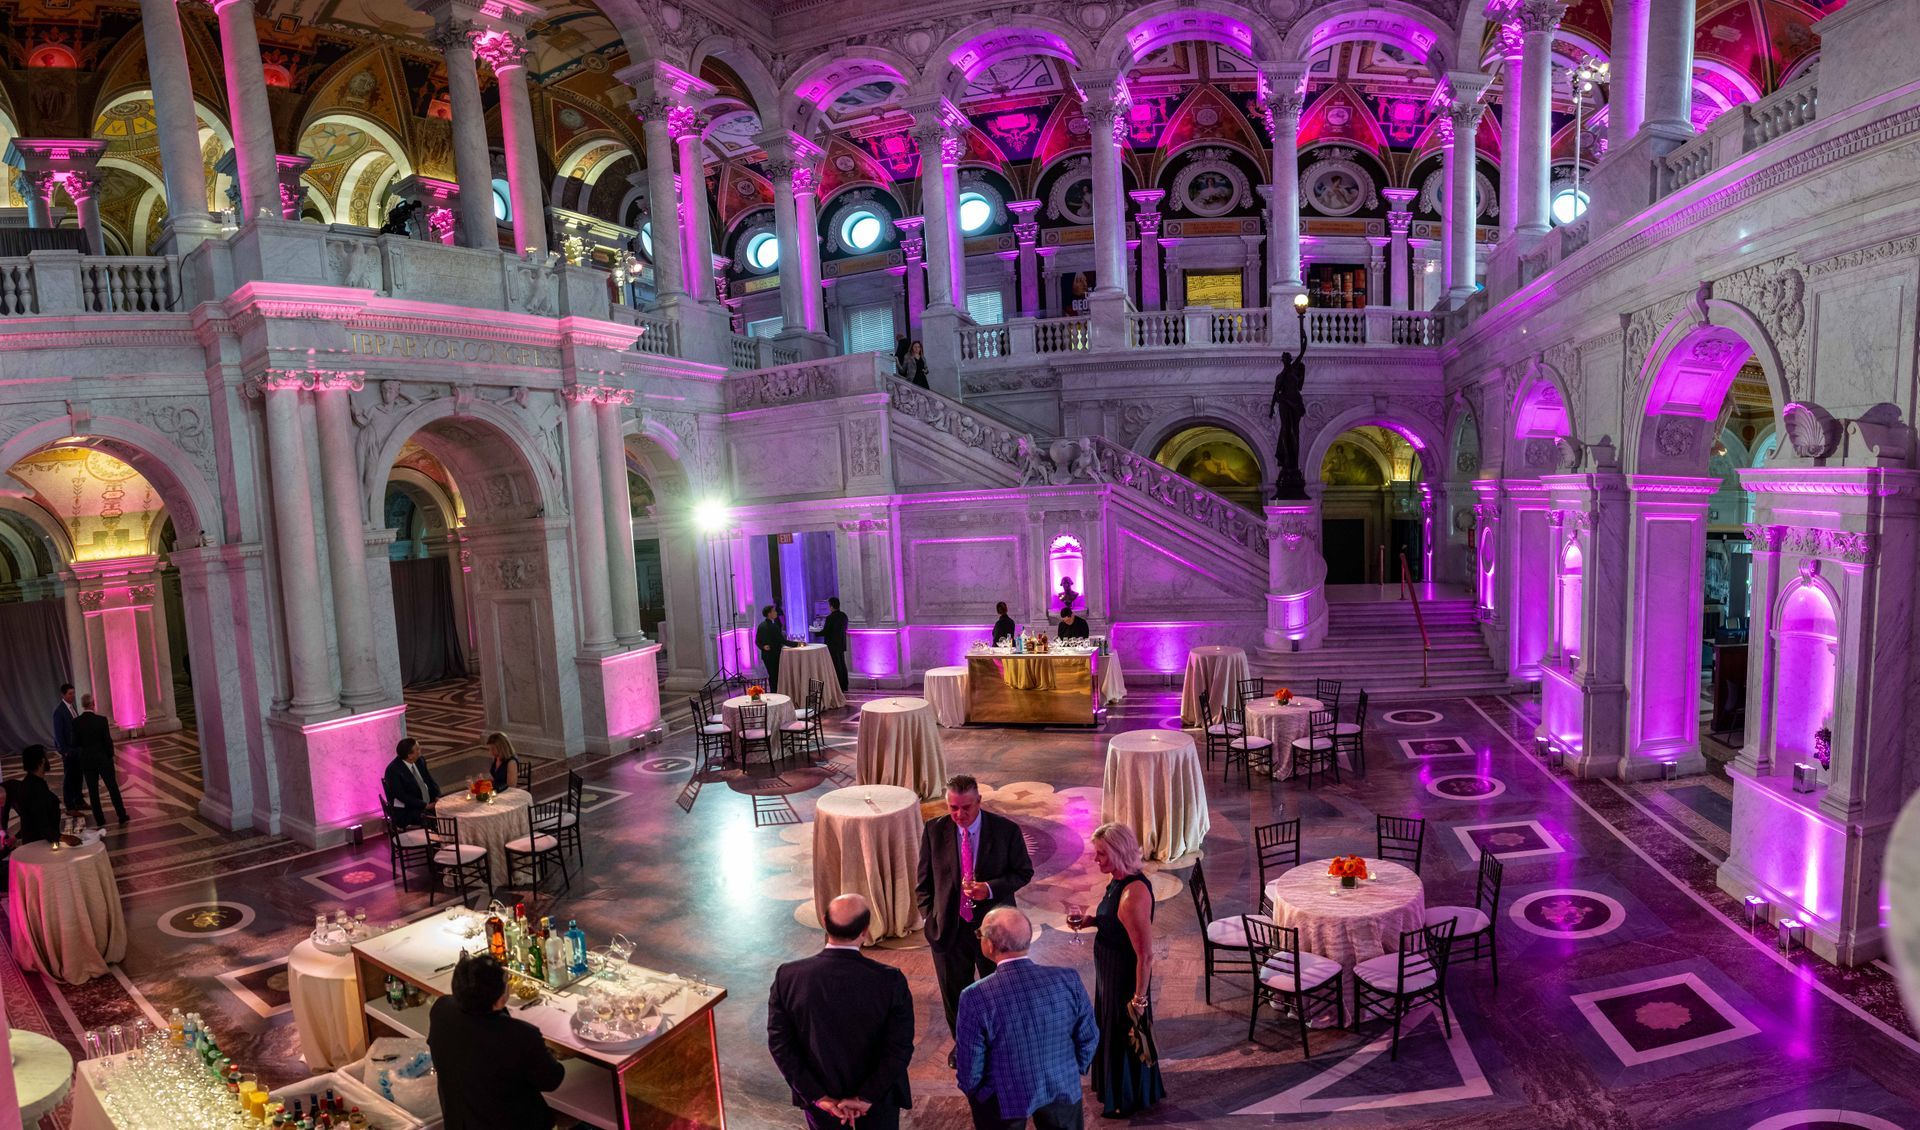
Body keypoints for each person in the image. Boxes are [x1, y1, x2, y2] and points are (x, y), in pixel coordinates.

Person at [767, 894, 915, 1129]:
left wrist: (817, 1096)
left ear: (824, 922)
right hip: (878, 1102)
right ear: (865, 931)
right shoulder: (890, 980)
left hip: (822, 1101)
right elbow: (900, 1047)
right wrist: (866, 1097)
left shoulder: (788, 977)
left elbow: (780, 1045)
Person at [954, 907, 1096, 1130]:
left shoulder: (975, 996)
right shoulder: (1067, 979)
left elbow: (970, 1066)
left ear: (990, 945)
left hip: (1002, 1099)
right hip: (1062, 1086)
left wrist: (979, 1094)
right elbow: (1089, 1036)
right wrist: (1069, 1070)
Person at [917, 775, 1034, 1040]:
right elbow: (924, 883)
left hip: (995, 932)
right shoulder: (934, 830)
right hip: (949, 930)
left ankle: (999, 1044)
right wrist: (929, 919)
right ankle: (964, 1046)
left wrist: (990, 888)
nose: (959, 815)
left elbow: (1023, 872)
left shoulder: (1006, 831)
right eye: (953, 808)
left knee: (998, 995)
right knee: (955, 997)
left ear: (979, 801)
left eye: (966, 807)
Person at [1077, 824, 1164, 1118]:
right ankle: (1113, 1090)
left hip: (1124, 978)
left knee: (1124, 1035)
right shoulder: (1117, 881)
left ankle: (1125, 1099)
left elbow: (1145, 955)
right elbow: (1116, 923)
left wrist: (1139, 1000)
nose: (1096, 859)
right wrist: (1093, 921)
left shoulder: (1132, 895)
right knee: (1111, 1030)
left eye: (1102, 854)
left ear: (1119, 852)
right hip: (1109, 975)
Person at [429, 952, 565, 1129]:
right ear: (500, 1000)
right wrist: (550, 1052)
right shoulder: (521, 1035)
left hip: (460, 1121)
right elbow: (552, 1080)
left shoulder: (441, 1009)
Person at [73, 694, 128, 826]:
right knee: (112, 787)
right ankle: (121, 815)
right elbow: (107, 741)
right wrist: (110, 755)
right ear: (93, 704)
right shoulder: (101, 720)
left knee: (93, 792)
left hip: (87, 760)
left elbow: (75, 743)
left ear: (83, 705)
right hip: (103, 759)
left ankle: (100, 820)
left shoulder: (76, 722)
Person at [2, 745, 63, 845]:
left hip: (41, 839)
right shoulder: (32, 787)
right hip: (38, 843)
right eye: (46, 757)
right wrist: (61, 837)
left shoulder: (35, 782)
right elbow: (38, 820)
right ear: (42, 761)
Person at [382, 737, 441, 828]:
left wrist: (437, 795)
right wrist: (425, 805)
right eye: (417, 749)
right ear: (410, 755)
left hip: (426, 802)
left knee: (446, 811)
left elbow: (429, 780)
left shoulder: (420, 761)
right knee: (432, 819)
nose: (420, 751)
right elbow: (402, 796)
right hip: (407, 810)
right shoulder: (393, 771)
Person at [756, 604, 799, 693]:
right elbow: (782, 640)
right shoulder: (774, 626)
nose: (776, 613)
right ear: (769, 614)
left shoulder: (761, 625)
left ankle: (774, 693)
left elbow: (757, 641)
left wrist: (763, 647)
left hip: (766, 656)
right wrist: (797, 644)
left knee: (772, 676)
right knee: (775, 676)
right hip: (774, 655)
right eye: (774, 611)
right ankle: (776, 693)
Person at [51, 682, 80, 812]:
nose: (72, 696)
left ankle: (79, 800)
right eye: (70, 694)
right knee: (69, 779)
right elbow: (58, 734)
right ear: (63, 695)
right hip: (69, 751)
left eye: (73, 693)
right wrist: (65, 751)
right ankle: (70, 806)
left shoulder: (72, 708)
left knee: (78, 776)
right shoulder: (59, 712)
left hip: (77, 749)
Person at [822, 597, 851, 695]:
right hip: (841, 643)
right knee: (842, 664)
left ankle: (838, 686)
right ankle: (845, 685)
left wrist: (814, 632)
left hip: (832, 645)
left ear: (831, 606)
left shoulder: (830, 618)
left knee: (835, 665)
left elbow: (825, 631)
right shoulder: (844, 616)